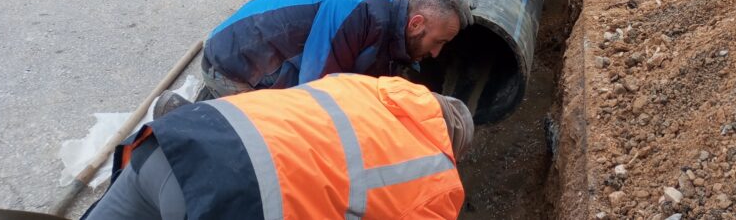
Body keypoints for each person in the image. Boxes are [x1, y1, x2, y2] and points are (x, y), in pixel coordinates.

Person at [83, 75, 472, 220]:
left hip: (175, 142)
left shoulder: (368, 87)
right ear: (451, 146)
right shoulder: (438, 182)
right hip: (227, 198)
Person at [193, 0, 472, 101]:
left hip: (265, 62)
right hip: (234, 66)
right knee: (279, 143)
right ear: (416, 24)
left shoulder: (386, 22)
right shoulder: (358, 13)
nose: (436, 53)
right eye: (439, 42)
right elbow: (315, 94)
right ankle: (189, 119)